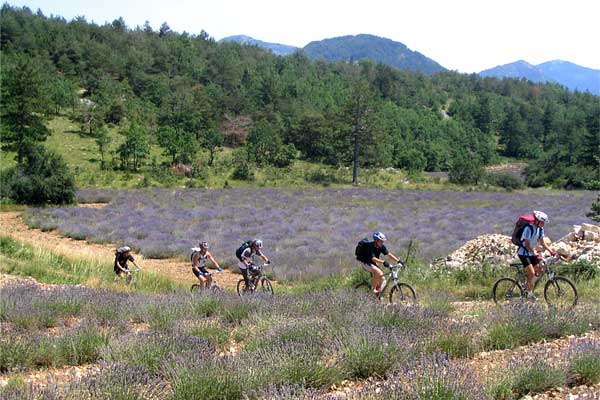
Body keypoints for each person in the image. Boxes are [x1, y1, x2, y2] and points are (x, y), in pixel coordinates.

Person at [517, 210, 556, 298]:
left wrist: (551, 251)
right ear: (537, 221)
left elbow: (543, 243)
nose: (543, 224)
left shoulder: (540, 229)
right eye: (542, 222)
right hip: (524, 253)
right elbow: (526, 245)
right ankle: (529, 294)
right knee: (531, 273)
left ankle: (528, 286)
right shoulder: (529, 229)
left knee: (540, 270)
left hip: (531, 253)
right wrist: (534, 252)